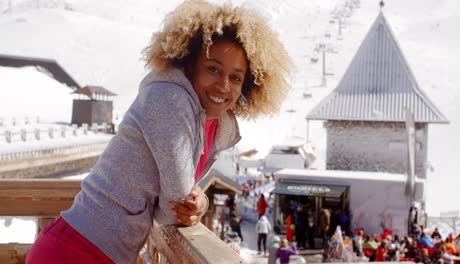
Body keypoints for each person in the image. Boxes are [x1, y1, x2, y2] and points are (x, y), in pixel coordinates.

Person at [26, 1, 291, 263]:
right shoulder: (170, 100)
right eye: (213, 69)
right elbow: (173, 208)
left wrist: (200, 203)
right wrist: (191, 202)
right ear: (190, 66)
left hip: (97, 250)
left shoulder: (210, 123)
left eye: (236, 77)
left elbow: (184, 197)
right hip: (74, 251)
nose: (224, 85)